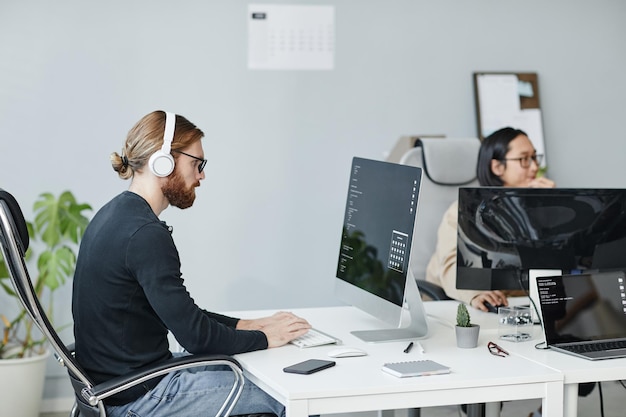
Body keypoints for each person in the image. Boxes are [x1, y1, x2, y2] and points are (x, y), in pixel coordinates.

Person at [72, 110, 311, 417]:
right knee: (292, 397)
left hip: (117, 389)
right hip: (142, 399)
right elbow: (196, 338)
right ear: (164, 161)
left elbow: (182, 315)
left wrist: (246, 325)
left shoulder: (114, 215)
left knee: (254, 371)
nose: (201, 175)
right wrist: (266, 338)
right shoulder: (145, 234)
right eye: (197, 163)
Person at [424, 127, 555, 312]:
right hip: (467, 305)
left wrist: (550, 211)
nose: (534, 167)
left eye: (534, 157)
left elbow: (556, 264)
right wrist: (476, 294)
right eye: (524, 159)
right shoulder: (463, 211)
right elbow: (451, 266)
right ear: (497, 167)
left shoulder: (533, 209)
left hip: (519, 306)